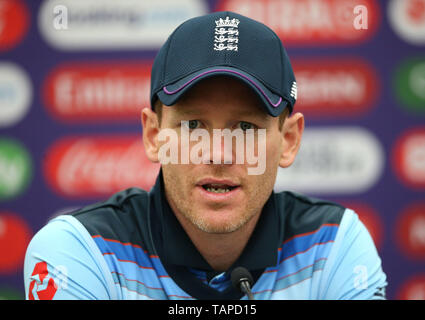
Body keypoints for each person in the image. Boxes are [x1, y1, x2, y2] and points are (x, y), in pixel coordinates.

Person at [24, 11, 387, 300]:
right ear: (154, 135)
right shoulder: (80, 250)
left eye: (245, 128)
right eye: (193, 124)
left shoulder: (334, 243)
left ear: (289, 140)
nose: (218, 153)